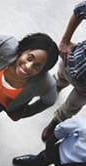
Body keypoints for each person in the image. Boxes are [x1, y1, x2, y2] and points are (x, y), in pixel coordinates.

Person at [0, 33, 59, 121]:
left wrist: (23, 113)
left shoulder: (45, 83)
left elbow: (49, 101)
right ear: (23, 50)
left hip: (5, 102)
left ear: (43, 70)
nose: (28, 66)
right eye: (29, 58)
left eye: (37, 66)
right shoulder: (8, 46)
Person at [42, 1, 86, 141]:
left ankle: (56, 121)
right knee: (60, 78)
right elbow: (80, 10)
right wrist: (65, 40)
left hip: (84, 89)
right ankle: (54, 89)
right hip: (73, 60)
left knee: (71, 107)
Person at [13, 117, 86, 166]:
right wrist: (50, 144)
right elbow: (65, 128)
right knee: (44, 157)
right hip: (60, 153)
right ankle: (38, 161)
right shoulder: (84, 127)